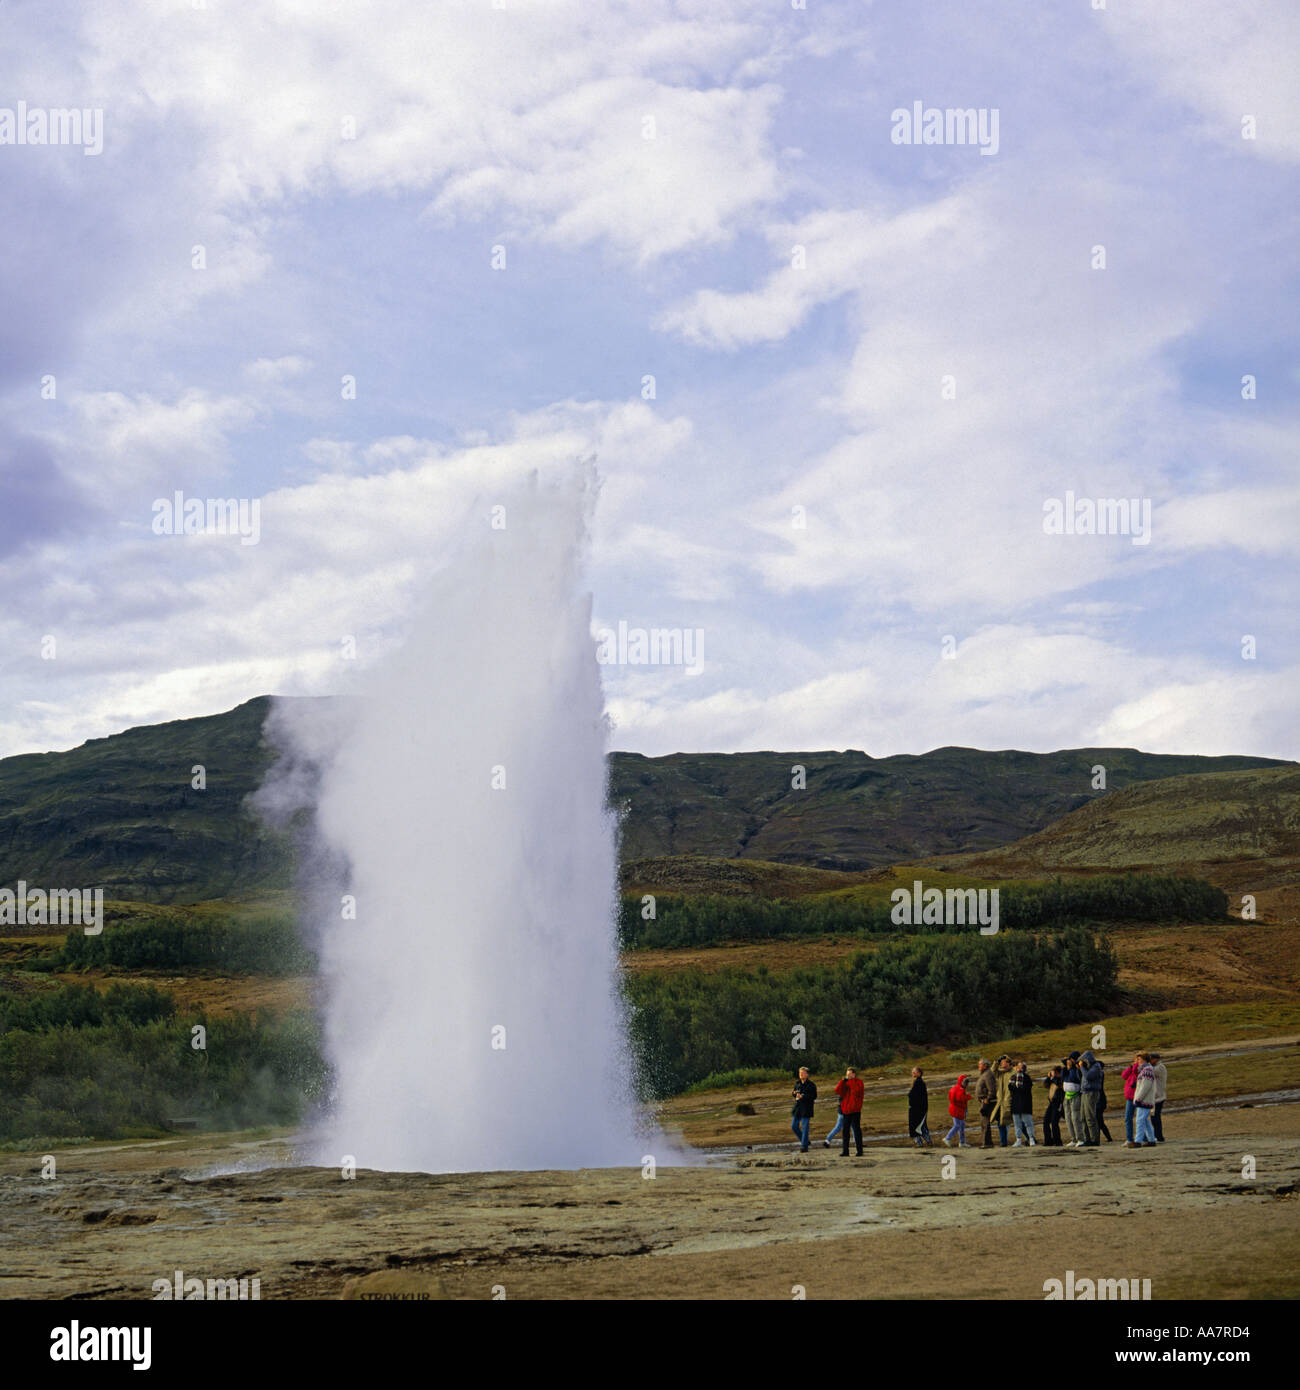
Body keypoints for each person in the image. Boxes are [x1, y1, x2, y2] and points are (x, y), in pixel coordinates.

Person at [834, 1066, 865, 1156]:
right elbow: (837, 1091)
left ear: (854, 1074)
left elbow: (856, 1092)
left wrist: (850, 1082)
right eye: (847, 1074)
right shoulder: (845, 1083)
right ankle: (845, 1151)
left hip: (855, 1110)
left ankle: (859, 1151)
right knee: (845, 1131)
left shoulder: (859, 1082)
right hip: (846, 1110)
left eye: (850, 1074)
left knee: (856, 1130)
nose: (848, 1076)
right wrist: (842, 1082)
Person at [1130, 1052, 1157, 1147]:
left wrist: (1138, 1098)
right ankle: (1151, 1139)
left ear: (1145, 1059)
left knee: (1140, 1120)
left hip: (1144, 1100)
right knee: (1145, 1120)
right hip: (1144, 1100)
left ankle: (1138, 1141)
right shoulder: (1145, 1070)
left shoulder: (1147, 1070)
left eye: (1139, 1059)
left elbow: (1145, 1086)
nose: (1137, 1061)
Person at [1008, 1059, 1036, 1145]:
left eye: (1021, 1066)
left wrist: (1017, 1089)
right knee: (1017, 1123)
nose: (1019, 1068)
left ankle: (1031, 1138)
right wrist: (1017, 1089)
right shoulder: (1012, 1077)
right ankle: (1018, 1139)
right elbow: (1010, 1087)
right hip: (1015, 1102)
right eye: (1018, 1066)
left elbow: (1025, 1089)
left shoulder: (1027, 1078)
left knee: (1028, 1122)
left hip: (1025, 1103)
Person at [1079, 1048, 1103, 1146]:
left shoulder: (1096, 1066)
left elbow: (1088, 1076)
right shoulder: (1088, 1067)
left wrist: (1082, 1067)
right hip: (1084, 1092)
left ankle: (1094, 1139)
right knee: (1083, 1117)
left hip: (1092, 1093)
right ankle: (1087, 1138)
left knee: (1090, 1116)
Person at [790, 1067, 817, 1152]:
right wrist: (794, 1094)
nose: (801, 1075)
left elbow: (814, 1096)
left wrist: (804, 1096)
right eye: (800, 1073)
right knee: (794, 1126)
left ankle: (804, 1146)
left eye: (803, 1073)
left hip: (806, 1108)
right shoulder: (797, 1084)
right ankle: (805, 1141)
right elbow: (794, 1092)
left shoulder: (811, 1085)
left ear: (807, 1074)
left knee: (805, 1127)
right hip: (798, 1108)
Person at [1062, 1053, 1083, 1147]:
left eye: (1070, 1059)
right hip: (1067, 1096)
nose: (1068, 1061)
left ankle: (1080, 1138)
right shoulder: (1066, 1069)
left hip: (1075, 1095)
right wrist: (1067, 1067)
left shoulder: (1076, 1070)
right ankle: (1073, 1138)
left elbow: (1074, 1078)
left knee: (1075, 1118)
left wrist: (1072, 1067)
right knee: (1068, 1118)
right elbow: (1063, 1077)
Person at [944, 1074, 971, 1147]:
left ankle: (962, 1142)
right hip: (957, 1110)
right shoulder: (960, 1090)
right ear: (961, 1081)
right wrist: (968, 1096)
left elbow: (953, 1098)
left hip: (956, 1109)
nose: (967, 1084)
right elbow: (960, 1098)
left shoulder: (955, 1088)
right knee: (957, 1125)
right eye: (965, 1082)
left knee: (961, 1126)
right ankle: (947, 1138)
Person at [975, 1058, 997, 1148]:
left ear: (985, 1065)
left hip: (987, 1102)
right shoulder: (984, 1074)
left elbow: (992, 1089)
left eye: (980, 1064)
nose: (979, 1066)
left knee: (985, 1123)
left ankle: (987, 1143)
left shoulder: (988, 1074)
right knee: (983, 1123)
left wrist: (987, 1099)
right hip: (983, 1101)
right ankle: (986, 1142)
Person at [907, 1067, 932, 1146]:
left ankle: (920, 1143)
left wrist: (910, 1095)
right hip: (918, 1108)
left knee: (917, 1126)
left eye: (914, 1072)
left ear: (919, 1073)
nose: (912, 1073)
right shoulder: (919, 1082)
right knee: (920, 1125)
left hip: (918, 1109)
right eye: (912, 1072)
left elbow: (914, 1095)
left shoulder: (919, 1082)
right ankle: (926, 1141)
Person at [1121, 1052, 1142, 1144]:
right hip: (1130, 1097)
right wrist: (1131, 1067)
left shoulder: (1141, 1070)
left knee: (1140, 1118)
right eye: (1135, 1059)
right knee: (1128, 1118)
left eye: (1138, 1060)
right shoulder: (1131, 1070)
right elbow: (1124, 1075)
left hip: (1138, 1097)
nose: (1136, 1061)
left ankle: (1142, 1137)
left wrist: (1136, 1066)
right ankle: (1129, 1138)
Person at [992, 1054, 1013, 1147]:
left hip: (1009, 1100)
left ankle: (1030, 1138)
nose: (1001, 1063)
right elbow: (992, 1072)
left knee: (1017, 1121)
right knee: (1000, 1122)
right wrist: (996, 1062)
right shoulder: (1001, 1073)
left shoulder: (1013, 1073)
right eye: (1000, 1062)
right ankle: (1003, 1142)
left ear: (1008, 1063)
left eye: (1002, 1062)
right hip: (1000, 1102)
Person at [1041, 1065, 1064, 1146]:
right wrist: (1048, 1077)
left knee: (1054, 1122)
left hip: (1058, 1102)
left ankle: (1058, 1141)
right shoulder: (1052, 1079)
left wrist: (1054, 1077)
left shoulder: (1061, 1079)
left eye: (1053, 1072)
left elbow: (1059, 1084)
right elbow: (1045, 1085)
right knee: (1046, 1121)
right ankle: (1048, 1141)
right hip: (1051, 1102)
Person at [1096, 1064, 1114, 1142]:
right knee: (1099, 1121)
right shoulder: (1100, 1074)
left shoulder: (1099, 1074)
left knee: (1099, 1121)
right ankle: (1107, 1137)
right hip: (1101, 1100)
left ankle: (1104, 1138)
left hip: (1099, 1101)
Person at [1152, 1053, 1167, 1141]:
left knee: (1156, 1117)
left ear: (1156, 1059)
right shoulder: (1157, 1066)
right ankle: (1157, 1135)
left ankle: (1158, 1136)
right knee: (1154, 1117)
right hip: (1157, 1096)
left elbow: (1151, 1072)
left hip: (1159, 1096)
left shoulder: (1160, 1067)